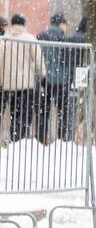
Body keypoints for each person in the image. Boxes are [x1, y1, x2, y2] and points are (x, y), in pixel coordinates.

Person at [0, 14, 46, 143]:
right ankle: (19, 139)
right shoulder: (30, 39)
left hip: (8, 85)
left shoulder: (5, 40)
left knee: (13, 113)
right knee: (25, 115)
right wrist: (43, 76)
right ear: (24, 24)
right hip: (25, 84)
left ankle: (14, 137)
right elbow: (38, 60)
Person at [36, 13, 75, 143]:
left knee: (43, 113)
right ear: (61, 24)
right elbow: (68, 63)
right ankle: (62, 139)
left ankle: (41, 139)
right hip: (60, 82)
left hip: (44, 81)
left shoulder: (41, 36)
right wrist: (69, 80)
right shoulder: (64, 39)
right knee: (63, 113)